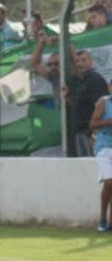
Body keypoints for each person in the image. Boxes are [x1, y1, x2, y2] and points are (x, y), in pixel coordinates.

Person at [62, 50, 108, 157]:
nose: (80, 63)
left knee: (95, 163)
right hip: (79, 131)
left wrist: (95, 134)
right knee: (83, 163)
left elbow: (103, 108)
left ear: (91, 61)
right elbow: (77, 105)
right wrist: (66, 96)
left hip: (90, 132)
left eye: (84, 60)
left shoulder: (96, 80)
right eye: (77, 61)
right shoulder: (79, 81)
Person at [88, 78, 112, 231]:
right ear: (109, 87)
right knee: (110, 182)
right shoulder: (103, 102)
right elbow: (92, 124)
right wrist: (108, 122)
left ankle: (108, 222)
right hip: (103, 148)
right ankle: (103, 217)